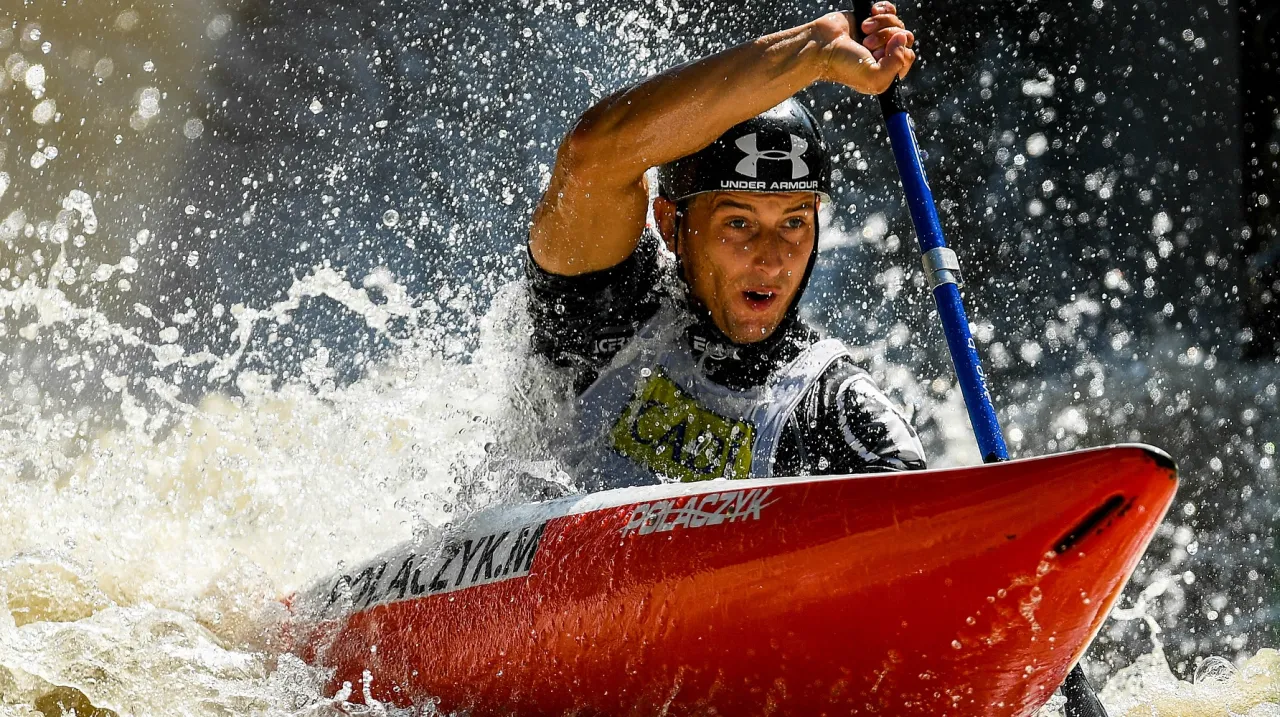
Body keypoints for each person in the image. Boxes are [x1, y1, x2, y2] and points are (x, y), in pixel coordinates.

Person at [527, 4, 927, 491]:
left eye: (794, 223)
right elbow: (592, 156)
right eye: (739, 223)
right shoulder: (604, 303)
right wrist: (813, 53)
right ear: (670, 222)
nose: (772, 257)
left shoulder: (830, 404)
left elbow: (925, 522)